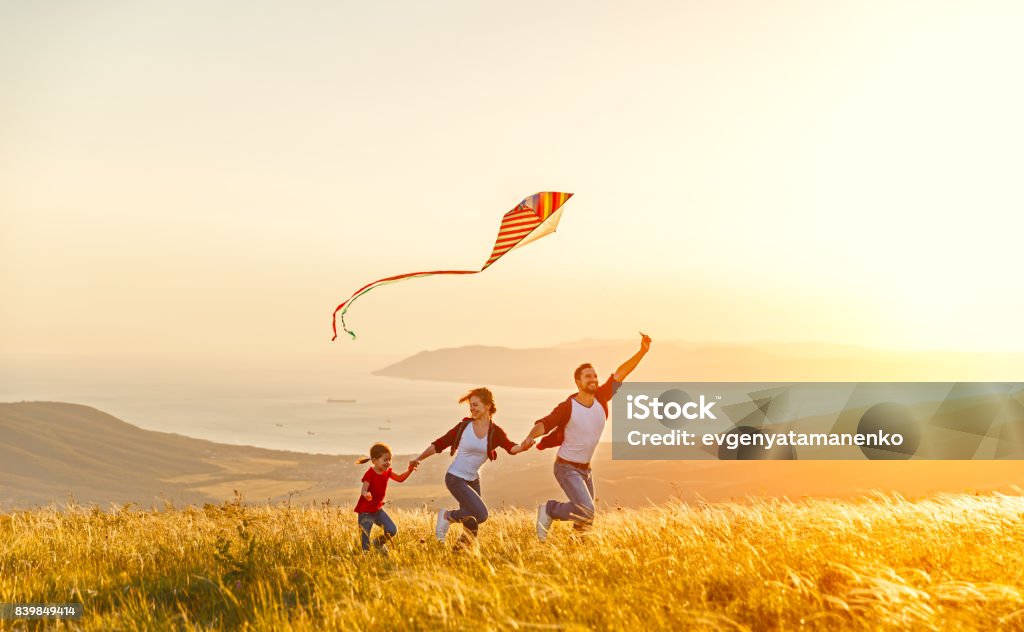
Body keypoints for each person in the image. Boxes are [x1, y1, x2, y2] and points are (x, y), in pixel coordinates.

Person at [518, 333, 652, 540]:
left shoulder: (601, 396)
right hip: (566, 467)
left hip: (585, 470)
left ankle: (576, 551)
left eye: (595, 376)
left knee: (587, 519)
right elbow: (545, 423)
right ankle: (549, 509)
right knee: (587, 510)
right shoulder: (568, 406)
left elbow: (621, 373)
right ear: (578, 382)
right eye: (588, 376)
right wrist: (530, 437)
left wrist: (642, 351)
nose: (593, 379)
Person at [410, 387, 533, 545]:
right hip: (455, 478)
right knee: (481, 515)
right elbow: (439, 444)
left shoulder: (495, 432)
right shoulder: (464, 427)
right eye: (471, 405)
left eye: (476, 405)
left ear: (488, 406)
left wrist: (523, 446)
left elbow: (510, 447)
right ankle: (447, 516)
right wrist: (419, 458)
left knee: (472, 522)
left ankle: (459, 553)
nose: (472, 409)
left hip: (473, 480)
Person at [354, 442, 415, 552]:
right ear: (374, 461)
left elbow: (401, 478)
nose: (388, 463)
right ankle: (366, 560)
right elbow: (364, 490)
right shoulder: (370, 473)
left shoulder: (387, 473)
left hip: (377, 510)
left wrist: (409, 470)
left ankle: (378, 543)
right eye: (385, 460)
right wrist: (366, 494)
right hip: (365, 511)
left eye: (389, 460)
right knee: (365, 540)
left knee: (392, 530)